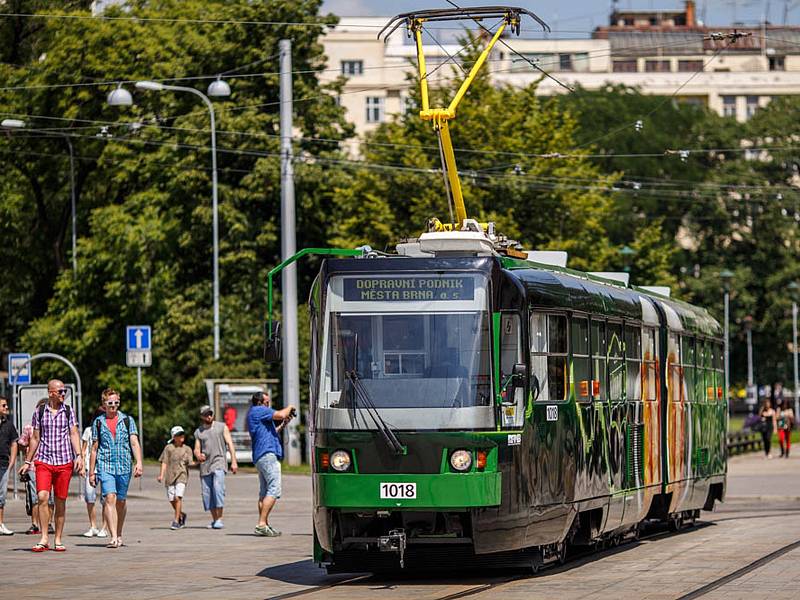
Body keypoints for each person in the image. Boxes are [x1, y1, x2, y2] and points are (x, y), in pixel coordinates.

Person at [19, 379, 84, 552]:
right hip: (44, 461)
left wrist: (79, 456)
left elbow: (74, 434)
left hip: (64, 462)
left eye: (65, 392)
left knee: (60, 500)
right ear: (51, 393)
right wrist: (27, 461)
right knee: (42, 497)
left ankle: (58, 538)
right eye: (60, 392)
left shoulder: (69, 411)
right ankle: (44, 537)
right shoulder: (40, 412)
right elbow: (35, 438)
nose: (64, 394)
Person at [89, 388, 143, 549]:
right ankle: (112, 536)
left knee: (121, 500)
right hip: (105, 465)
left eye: (116, 403)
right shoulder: (98, 422)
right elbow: (94, 448)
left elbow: (134, 442)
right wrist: (92, 472)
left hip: (124, 465)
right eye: (110, 403)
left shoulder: (127, 420)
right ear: (104, 404)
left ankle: (119, 533)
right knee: (109, 498)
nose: (113, 406)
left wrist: (139, 462)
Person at [247, 391, 295, 537]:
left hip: (261, 455)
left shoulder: (255, 414)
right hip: (267, 455)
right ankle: (261, 523)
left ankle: (264, 524)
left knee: (264, 491)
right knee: (274, 490)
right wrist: (291, 407)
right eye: (267, 402)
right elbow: (280, 414)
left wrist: (283, 424)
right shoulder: (259, 410)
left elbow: (270, 431)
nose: (269, 404)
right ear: (260, 402)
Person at [194, 404, 238, 529]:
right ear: (202, 416)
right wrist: (198, 454)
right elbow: (196, 448)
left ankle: (220, 518)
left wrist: (233, 461)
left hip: (219, 462)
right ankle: (214, 519)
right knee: (207, 493)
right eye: (206, 414)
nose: (209, 416)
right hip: (205, 465)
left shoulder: (221, 427)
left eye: (210, 413)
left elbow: (229, 443)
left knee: (218, 488)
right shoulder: (199, 432)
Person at [158, 426, 194, 530]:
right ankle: (181, 514)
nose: (182, 436)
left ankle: (176, 521)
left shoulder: (187, 449)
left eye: (182, 434)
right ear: (174, 437)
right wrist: (161, 475)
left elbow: (191, 463)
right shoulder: (169, 448)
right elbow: (164, 462)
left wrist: (199, 462)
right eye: (179, 435)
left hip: (182, 476)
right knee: (171, 499)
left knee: (178, 497)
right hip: (170, 477)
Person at [80, 406, 108, 537]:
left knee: (106, 499)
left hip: (105, 468)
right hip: (89, 468)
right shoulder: (88, 431)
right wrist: (81, 465)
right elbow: (84, 449)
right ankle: (93, 526)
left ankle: (104, 527)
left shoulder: (108, 431)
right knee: (89, 497)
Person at [0, 396, 19, 535]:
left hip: (4, 464)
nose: (6, 408)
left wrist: (12, 461)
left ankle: (0, 524)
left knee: (1, 496)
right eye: (4, 406)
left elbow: (14, 443)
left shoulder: (9, 424)